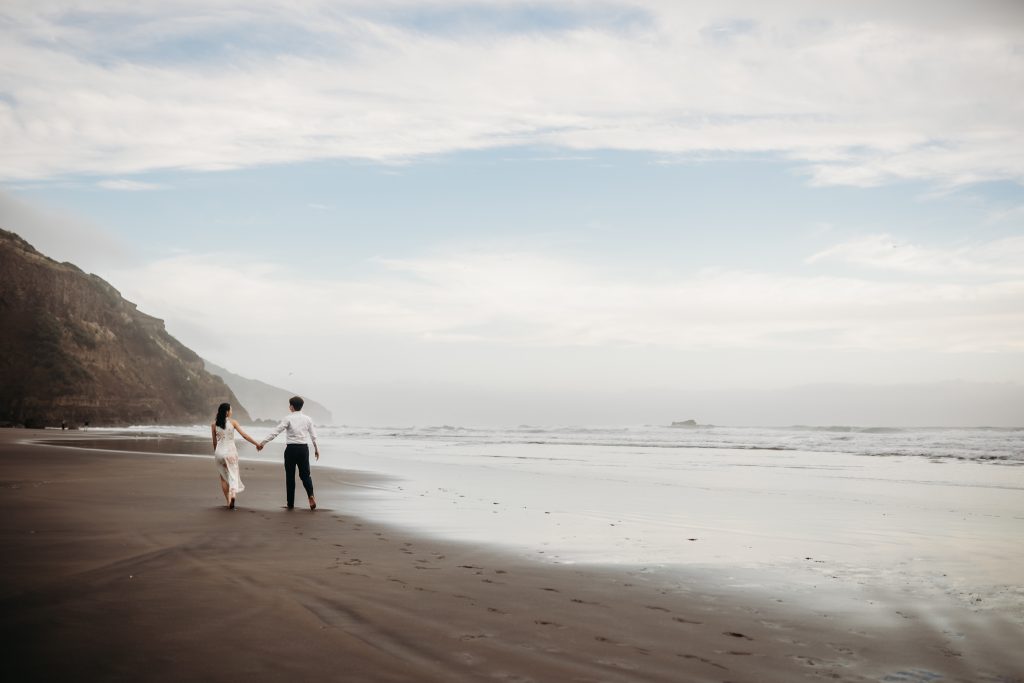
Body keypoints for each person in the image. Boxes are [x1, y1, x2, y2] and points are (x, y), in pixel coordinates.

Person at [259, 396, 320, 510]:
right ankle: (310, 496)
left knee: (290, 477)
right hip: (303, 449)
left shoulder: (288, 418)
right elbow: (313, 436)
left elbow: (276, 432)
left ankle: (290, 503)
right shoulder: (308, 419)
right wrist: (316, 449)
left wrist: (263, 443)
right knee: (305, 475)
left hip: (291, 449)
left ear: (292, 406)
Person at [211, 402, 261, 509]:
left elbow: (214, 442)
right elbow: (244, 435)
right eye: (231, 410)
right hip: (230, 453)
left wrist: (217, 453)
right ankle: (232, 495)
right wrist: (257, 444)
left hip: (219, 453)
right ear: (227, 412)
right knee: (233, 476)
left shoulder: (214, 424)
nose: (232, 412)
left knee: (223, 478)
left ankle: (228, 501)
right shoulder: (233, 422)